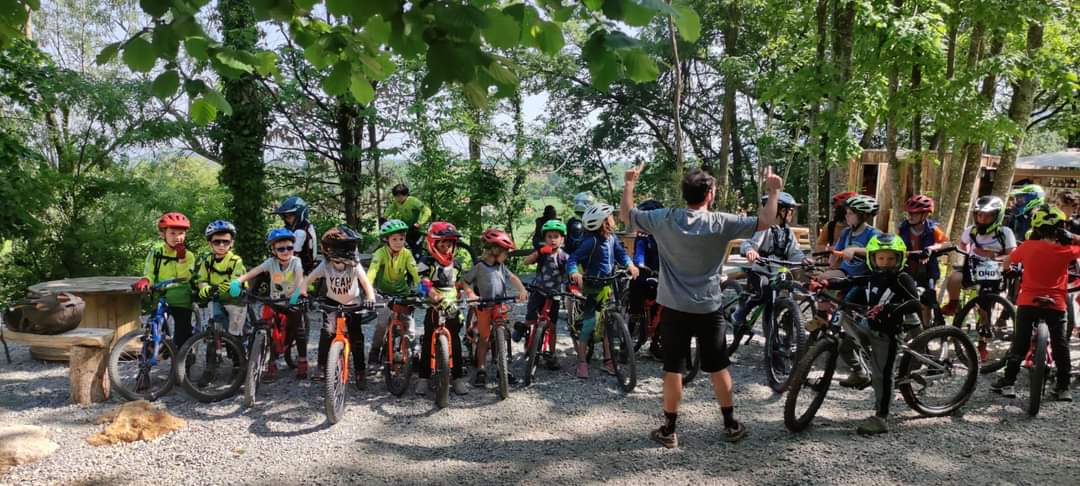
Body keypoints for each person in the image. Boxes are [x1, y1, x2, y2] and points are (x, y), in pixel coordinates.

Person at [623, 165, 783, 448]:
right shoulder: (721, 222)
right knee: (718, 367)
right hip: (709, 307)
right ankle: (730, 424)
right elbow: (765, 221)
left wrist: (629, 184)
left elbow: (627, 215)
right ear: (709, 194)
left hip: (674, 307)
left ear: (684, 193)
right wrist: (773, 191)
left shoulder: (664, 218)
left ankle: (669, 430)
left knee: (673, 369)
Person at [808, 234, 923, 435]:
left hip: (888, 333)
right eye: (881, 258)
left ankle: (881, 417)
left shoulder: (902, 278)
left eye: (891, 259)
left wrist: (888, 309)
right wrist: (826, 284)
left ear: (899, 259)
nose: (885, 263)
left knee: (882, 375)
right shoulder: (871, 275)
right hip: (867, 325)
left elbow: (915, 303)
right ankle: (859, 372)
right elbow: (850, 281)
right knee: (844, 341)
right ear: (872, 258)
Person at [991, 205, 1080, 401]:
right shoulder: (1066, 250)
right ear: (1061, 229)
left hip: (1028, 302)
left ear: (1036, 229)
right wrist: (1073, 236)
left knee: (1020, 342)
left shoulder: (1027, 246)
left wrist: (1008, 271)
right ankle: (1063, 388)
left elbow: (1007, 262)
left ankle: (1008, 382)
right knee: (1060, 345)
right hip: (1056, 303)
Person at [299, 225, 377, 386]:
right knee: (327, 332)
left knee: (356, 337)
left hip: (353, 303)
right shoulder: (325, 265)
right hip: (332, 302)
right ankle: (321, 366)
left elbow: (366, 284)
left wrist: (370, 298)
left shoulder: (354, 266)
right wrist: (303, 292)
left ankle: (360, 371)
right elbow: (308, 279)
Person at [568, 203, 639, 380]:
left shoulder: (611, 238)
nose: (613, 220)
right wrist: (574, 272)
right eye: (610, 217)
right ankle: (582, 361)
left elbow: (621, 253)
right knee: (588, 325)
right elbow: (573, 258)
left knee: (609, 326)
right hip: (592, 288)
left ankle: (608, 360)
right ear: (603, 222)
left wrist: (629, 264)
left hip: (608, 286)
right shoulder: (591, 241)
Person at [229, 228, 307, 380]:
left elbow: (300, 281)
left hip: (292, 300)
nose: (286, 251)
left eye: (289, 247)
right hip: (274, 301)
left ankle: (303, 361)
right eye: (281, 249)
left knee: (299, 329)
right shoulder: (271, 263)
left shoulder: (296, 262)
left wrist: (296, 296)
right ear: (274, 250)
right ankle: (271, 362)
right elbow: (255, 272)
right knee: (267, 329)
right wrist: (237, 281)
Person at [461, 228, 528, 387]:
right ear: (495, 250)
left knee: (502, 335)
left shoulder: (501, 266)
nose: (507, 255)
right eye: (505, 252)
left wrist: (522, 290)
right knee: (484, 338)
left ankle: (502, 368)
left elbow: (512, 277)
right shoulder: (480, 266)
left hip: (500, 304)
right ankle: (481, 369)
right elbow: (465, 281)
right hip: (484, 305)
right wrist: (471, 294)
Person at [732, 192, 808, 331]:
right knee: (764, 292)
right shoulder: (764, 228)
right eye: (789, 211)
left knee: (786, 290)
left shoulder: (787, 231)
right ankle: (740, 312)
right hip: (761, 271)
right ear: (779, 211)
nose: (791, 214)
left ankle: (776, 329)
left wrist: (803, 259)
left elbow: (794, 252)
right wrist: (750, 251)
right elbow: (748, 243)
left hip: (777, 272)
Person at [414, 221, 470, 397]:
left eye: (450, 244)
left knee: (455, 341)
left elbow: (460, 283)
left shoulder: (456, 264)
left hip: (452, 306)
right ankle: (423, 378)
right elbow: (422, 283)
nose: (446, 248)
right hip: (434, 306)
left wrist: (468, 293)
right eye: (442, 244)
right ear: (433, 244)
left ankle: (457, 377)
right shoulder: (426, 262)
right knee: (428, 339)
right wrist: (433, 294)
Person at [942, 196, 1017, 316]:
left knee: (984, 302)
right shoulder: (971, 230)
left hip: (995, 271)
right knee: (954, 278)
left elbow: (1013, 255)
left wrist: (993, 257)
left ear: (997, 216)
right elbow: (963, 243)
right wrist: (967, 253)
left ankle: (985, 320)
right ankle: (954, 304)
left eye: (988, 216)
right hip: (972, 268)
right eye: (980, 215)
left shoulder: (1005, 233)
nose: (983, 219)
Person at [133, 212, 196, 351]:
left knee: (182, 334)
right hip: (161, 296)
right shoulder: (156, 253)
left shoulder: (189, 255)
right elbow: (149, 272)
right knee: (153, 329)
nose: (177, 237)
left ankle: (183, 359)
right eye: (172, 233)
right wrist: (146, 280)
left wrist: (182, 259)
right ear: (163, 234)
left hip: (181, 299)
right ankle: (152, 355)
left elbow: (185, 277)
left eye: (181, 233)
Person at [365, 219, 422, 369]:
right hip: (383, 293)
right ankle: (375, 351)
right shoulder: (380, 253)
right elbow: (372, 272)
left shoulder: (407, 254)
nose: (398, 243)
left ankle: (414, 351)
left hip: (403, 293)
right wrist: (369, 292)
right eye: (394, 239)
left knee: (409, 324)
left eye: (401, 239)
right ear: (386, 239)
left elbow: (415, 273)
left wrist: (422, 288)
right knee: (382, 323)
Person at [517, 219, 571, 370]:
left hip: (554, 295)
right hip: (538, 291)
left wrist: (573, 281)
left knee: (552, 327)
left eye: (556, 237)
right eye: (549, 237)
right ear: (544, 239)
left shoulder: (564, 257)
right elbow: (526, 262)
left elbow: (571, 271)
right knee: (530, 318)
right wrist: (539, 252)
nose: (552, 240)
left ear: (562, 239)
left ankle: (551, 354)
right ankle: (524, 331)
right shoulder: (542, 253)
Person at [194, 220, 247, 339]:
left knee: (235, 331)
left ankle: (239, 343)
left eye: (225, 241)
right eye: (217, 242)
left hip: (234, 298)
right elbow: (202, 279)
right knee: (215, 320)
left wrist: (229, 285)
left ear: (231, 243)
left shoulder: (235, 260)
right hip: (216, 296)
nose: (221, 245)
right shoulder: (207, 261)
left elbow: (236, 280)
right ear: (210, 243)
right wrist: (204, 287)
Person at [628, 199, 663, 352]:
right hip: (646, 273)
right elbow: (639, 253)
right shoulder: (643, 235)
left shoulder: (667, 234)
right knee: (637, 283)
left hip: (664, 274)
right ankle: (632, 322)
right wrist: (640, 264)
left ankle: (656, 343)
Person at [272, 196, 319, 274]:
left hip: (303, 267)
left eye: (289, 216)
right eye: (285, 216)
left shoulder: (301, 231)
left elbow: (293, 254)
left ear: (299, 214)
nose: (287, 219)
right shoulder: (301, 226)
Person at [385, 183, 432, 252]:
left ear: (406, 194)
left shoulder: (413, 201)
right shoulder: (396, 202)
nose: (397, 198)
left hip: (416, 229)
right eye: (396, 196)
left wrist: (420, 223)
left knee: (416, 249)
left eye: (399, 196)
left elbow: (427, 211)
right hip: (406, 229)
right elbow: (390, 209)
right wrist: (384, 217)